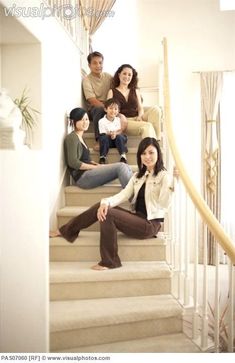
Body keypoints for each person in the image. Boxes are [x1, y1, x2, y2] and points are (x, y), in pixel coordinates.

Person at [50, 137, 174, 270]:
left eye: (151, 152)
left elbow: (164, 203)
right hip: (138, 217)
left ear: (158, 154)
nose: (147, 156)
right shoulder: (138, 176)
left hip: (150, 224)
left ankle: (110, 261)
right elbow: (124, 194)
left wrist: (171, 185)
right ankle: (67, 230)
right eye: (143, 153)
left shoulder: (164, 176)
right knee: (102, 206)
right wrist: (106, 202)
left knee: (108, 214)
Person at [65, 107, 132, 189]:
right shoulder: (72, 138)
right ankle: (134, 198)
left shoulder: (81, 138)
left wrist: (99, 165)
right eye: (81, 120)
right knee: (121, 167)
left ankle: (134, 194)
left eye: (86, 119)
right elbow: (73, 162)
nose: (85, 122)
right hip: (83, 178)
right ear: (73, 121)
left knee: (127, 167)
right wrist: (95, 167)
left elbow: (86, 160)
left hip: (89, 173)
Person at [107, 64, 162, 140]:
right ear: (119, 74)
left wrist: (140, 116)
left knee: (156, 109)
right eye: (124, 73)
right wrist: (119, 115)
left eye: (130, 75)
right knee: (147, 126)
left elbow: (140, 107)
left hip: (136, 118)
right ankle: (151, 145)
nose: (127, 77)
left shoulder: (135, 90)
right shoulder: (112, 92)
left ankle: (156, 139)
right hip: (124, 121)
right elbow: (108, 110)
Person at [98, 98, 128, 164]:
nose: (113, 111)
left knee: (120, 137)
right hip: (108, 141)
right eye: (111, 108)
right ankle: (102, 157)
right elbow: (103, 133)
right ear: (106, 109)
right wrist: (111, 134)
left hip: (117, 140)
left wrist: (115, 134)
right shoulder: (101, 121)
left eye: (115, 109)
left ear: (118, 111)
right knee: (103, 138)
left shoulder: (118, 120)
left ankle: (123, 156)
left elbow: (120, 131)